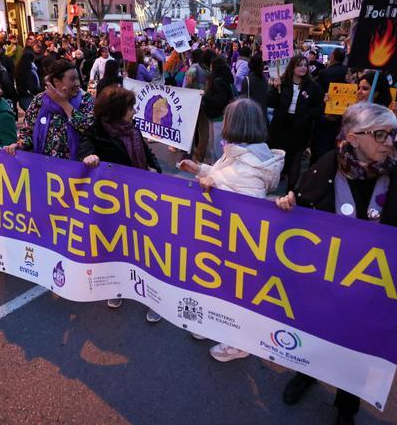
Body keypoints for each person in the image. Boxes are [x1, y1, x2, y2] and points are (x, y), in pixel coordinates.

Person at [276, 102, 397, 425]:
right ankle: (306, 374)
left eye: (392, 134)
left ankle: (346, 407)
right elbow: (300, 214)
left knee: (356, 348)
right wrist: (288, 205)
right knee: (315, 333)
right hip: (321, 285)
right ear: (353, 137)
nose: (390, 142)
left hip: (366, 291)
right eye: (380, 134)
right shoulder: (325, 166)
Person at [178, 98, 285, 359]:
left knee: (237, 292)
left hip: (237, 245)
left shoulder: (250, 165)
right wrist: (201, 169)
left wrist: (212, 187)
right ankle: (215, 324)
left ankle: (239, 344)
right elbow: (225, 177)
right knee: (220, 284)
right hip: (221, 238)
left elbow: (247, 212)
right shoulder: (240, 153)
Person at [87, 86, 163, 321]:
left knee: (147, 250)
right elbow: (84, 151)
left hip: (142, 200)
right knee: (118, 247)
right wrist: (89, 158)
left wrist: (155, 168)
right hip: (115, 204)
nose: (134, 111)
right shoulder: (96, 133)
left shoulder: (133, 129)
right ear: (116, 110)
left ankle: (155, 298)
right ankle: (116, 288)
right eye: (130, 107)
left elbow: (147, 153)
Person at [4, 60, 98, 166]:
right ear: (56, 81)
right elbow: (28, 131)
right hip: (45, 169)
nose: (78, 83)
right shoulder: (39, 100)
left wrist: (64, 103)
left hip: (75, 170)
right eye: (72, 79)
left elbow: (88, 127)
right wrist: (19, 145)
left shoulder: (85, 99)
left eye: (77, 78)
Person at [267, 54, 322, 193]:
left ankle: (290, 191)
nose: (303, 68)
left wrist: (307, 116)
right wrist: (274, 89)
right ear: (292, 67)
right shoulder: (282, 83)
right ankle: (273, 186)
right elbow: (271, 102)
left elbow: (318, 108)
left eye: (305, 65)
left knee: (296, 158)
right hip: (280, 126)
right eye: (299, 65)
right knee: (278, 157)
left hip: (300, 128)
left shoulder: (313, 86)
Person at [312, 48, 349, 164]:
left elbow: (316, 91)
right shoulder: (348, 73)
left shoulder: (324, 73)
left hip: (325, 112)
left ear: (332, 57)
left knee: (320, 146)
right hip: (344, 114)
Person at [202, 56, 237, 162]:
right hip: (219, 116)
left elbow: (219, 101)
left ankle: (218, 166)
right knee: (215, 144)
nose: (210, 67)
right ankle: (215, 166)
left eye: (212, 65)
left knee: (217, 146)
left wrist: (205, 96)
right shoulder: (225, 78)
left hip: (218, 117)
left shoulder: (218, 81)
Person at [239, 52, 270, 120]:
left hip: (250, 116)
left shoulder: (247, 79)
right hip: (263, 115)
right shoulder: (264, 79)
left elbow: (243, 100)